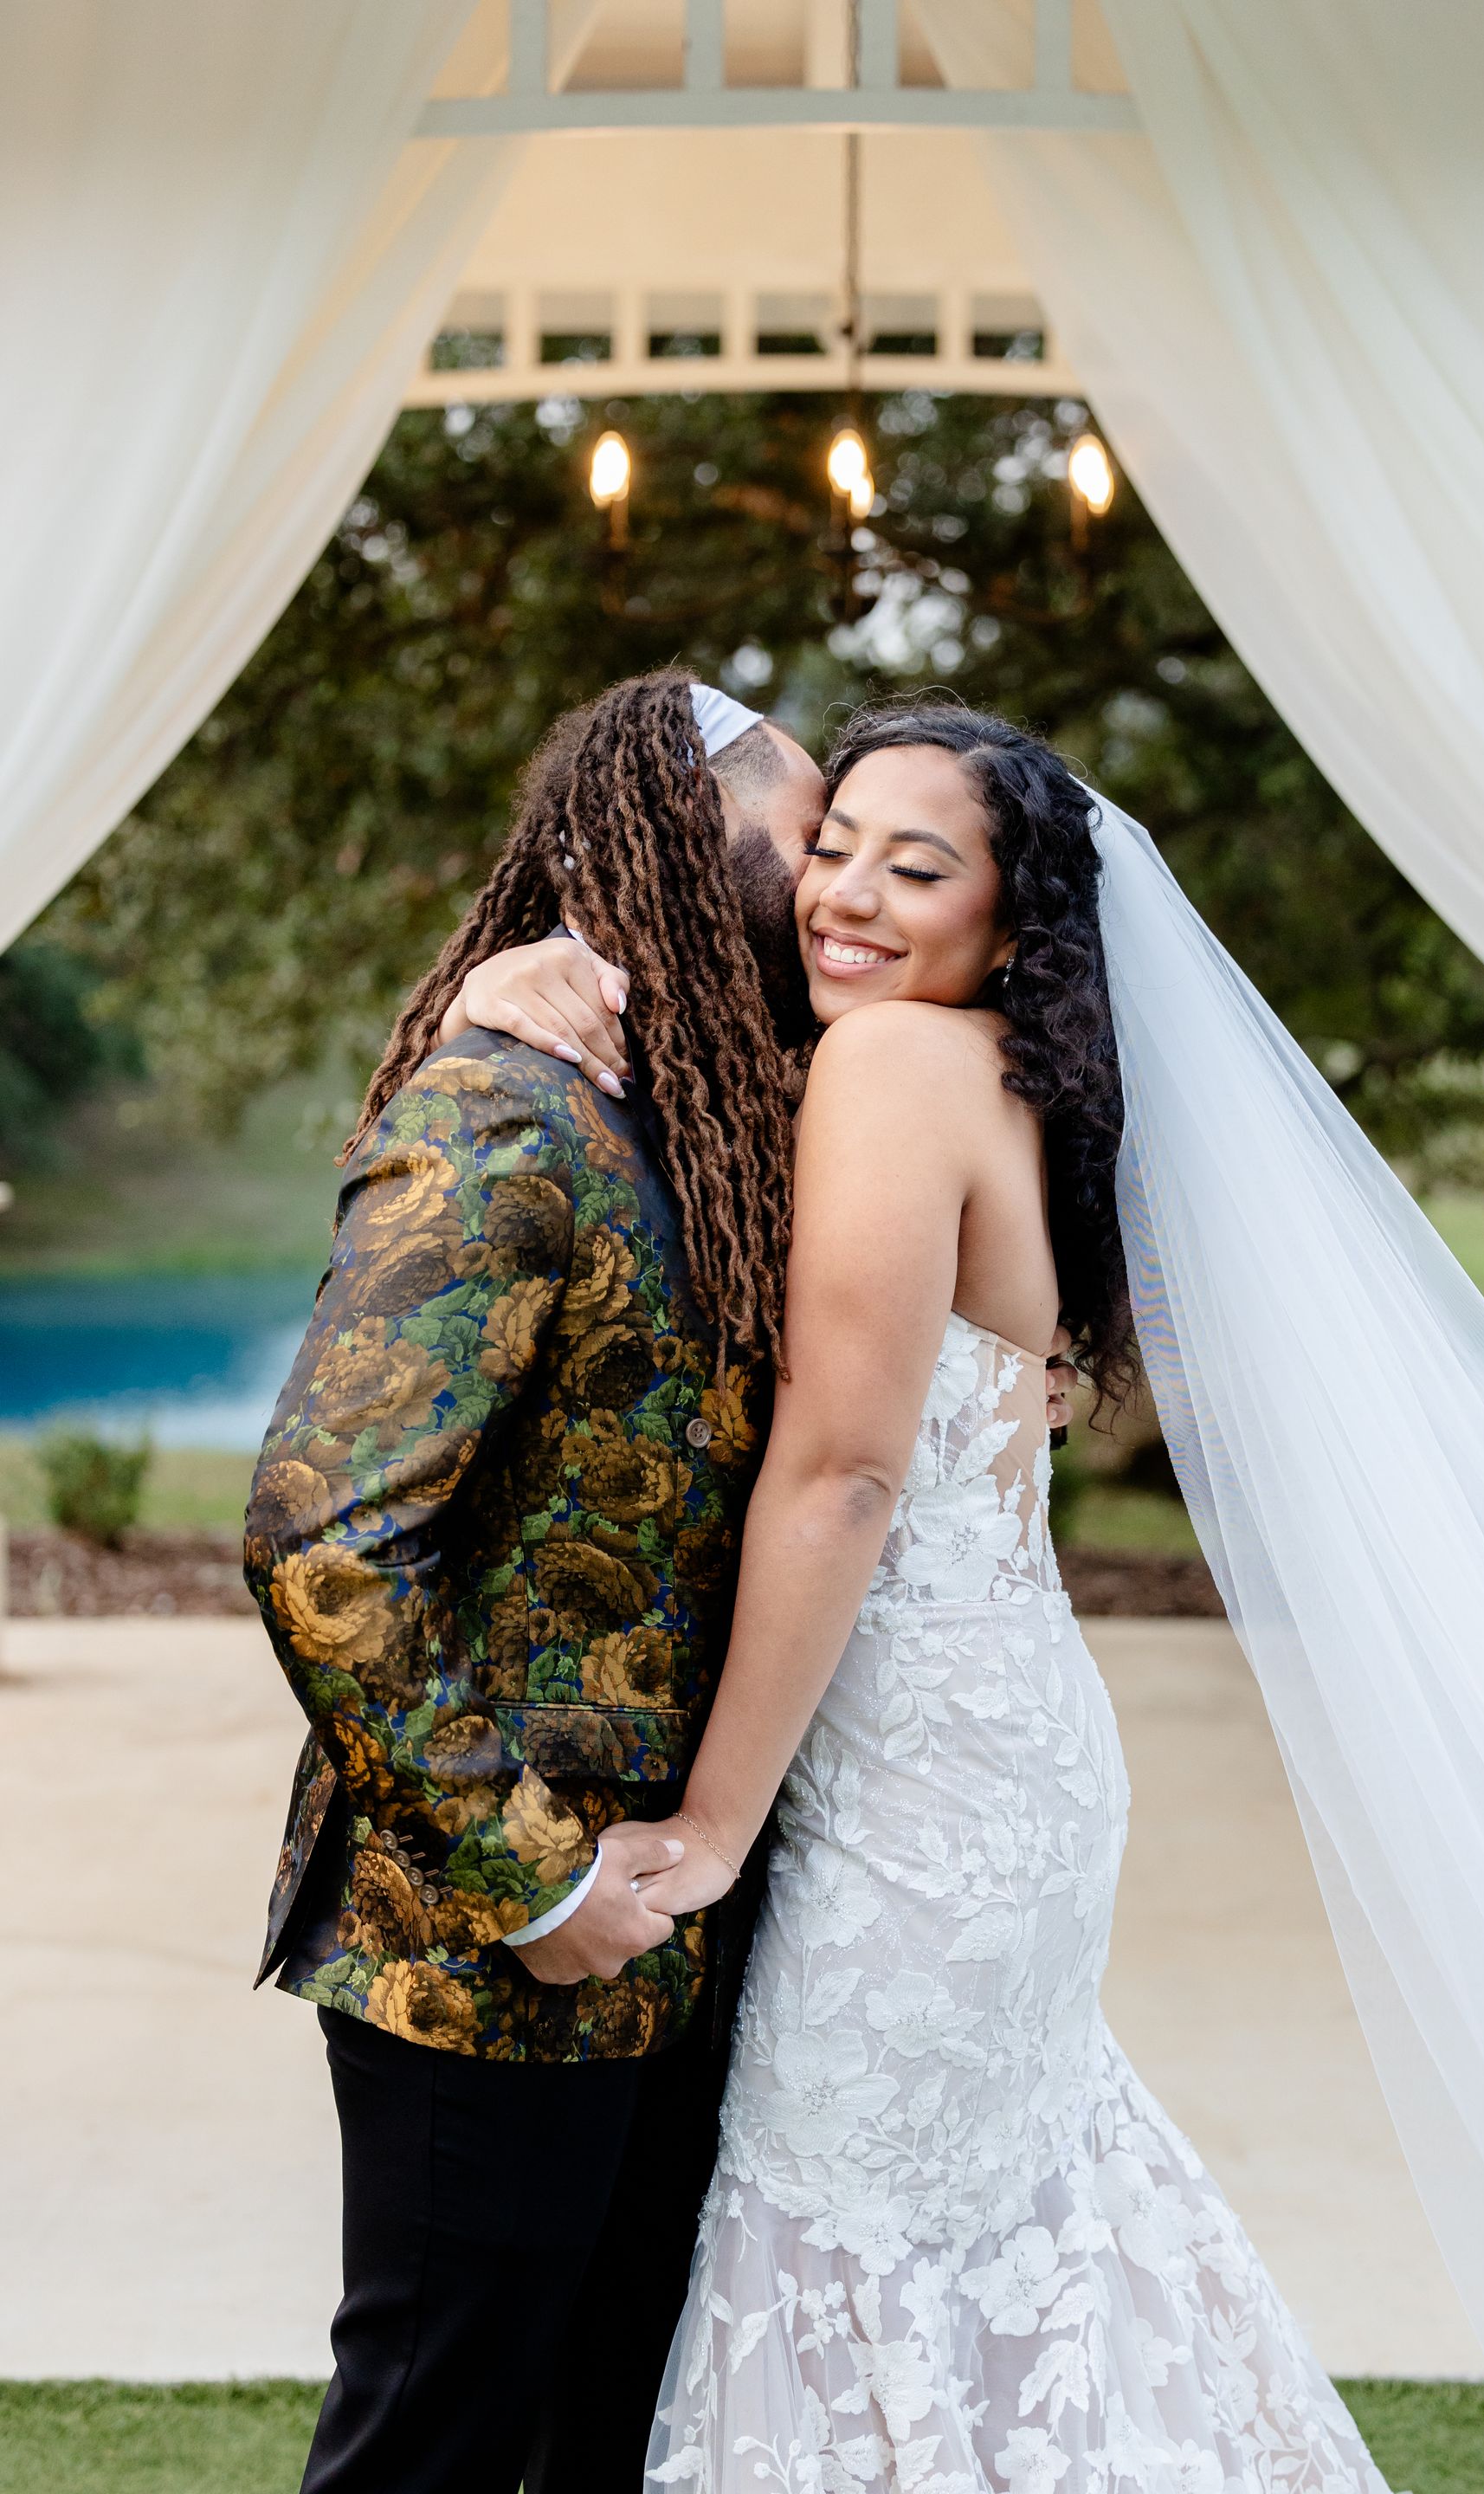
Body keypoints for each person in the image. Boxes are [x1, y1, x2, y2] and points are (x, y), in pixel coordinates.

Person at [452, 700, 1393, 2487]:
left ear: (1011, 920)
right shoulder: (973, 1070)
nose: (849, 895)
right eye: (833, 848)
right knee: (994, 2272)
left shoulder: (889, 1067)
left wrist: (714, 1827)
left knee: (851, 2255)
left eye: (919, 866)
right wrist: (514, 984)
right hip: (993, 1764)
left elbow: (846, 1474)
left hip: (920, 1810)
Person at [243, 666, 828, 2494]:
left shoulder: (727, 1103)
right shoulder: (501, 1112)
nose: (832, 885)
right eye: (810, 839)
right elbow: (323, 1537)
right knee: (432, 2445)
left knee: (625, 2443)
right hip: (483, 1948)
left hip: (686, 1931)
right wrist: (534, 1881)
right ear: (677, 851)